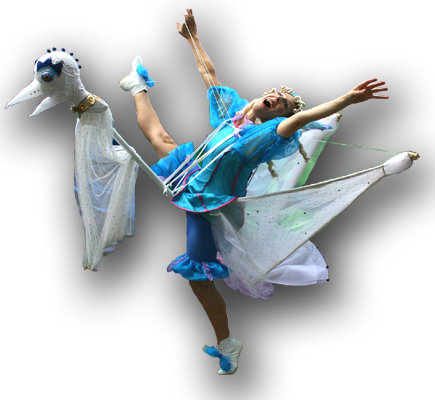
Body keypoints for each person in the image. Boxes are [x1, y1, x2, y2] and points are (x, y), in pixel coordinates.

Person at [118, 8, 389, 376]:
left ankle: (227, 342)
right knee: (160, 138)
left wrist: (346, 100)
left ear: (280, 116)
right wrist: (193, 37)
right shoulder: (231, 114)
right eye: (276, 95)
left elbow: (302, 118)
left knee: (197, 278)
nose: (277, 98)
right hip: (191, 175)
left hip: (212, 206)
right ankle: (136, 84)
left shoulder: (269, 134)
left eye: (284, 104)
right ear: (264, 97)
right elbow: (209, 74)